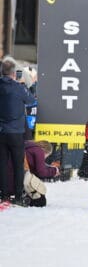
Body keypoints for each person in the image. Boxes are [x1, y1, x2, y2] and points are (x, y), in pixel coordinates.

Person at [0, 58, 33, 205]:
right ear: (14, 73)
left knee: (2, 164)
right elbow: (31, 100)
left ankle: (4, 195)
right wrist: (22, 85)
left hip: (1, 132)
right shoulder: (19, 88)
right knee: (18, 165)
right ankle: (18, 197)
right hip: (16, 133)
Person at [23, 139, 59, 207]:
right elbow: (41, 172)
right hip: (21, 177)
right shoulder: (39, 151)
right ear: (45, 151)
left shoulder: (29, 147)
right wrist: (54, 171)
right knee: (41, 201)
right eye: (47, 156)